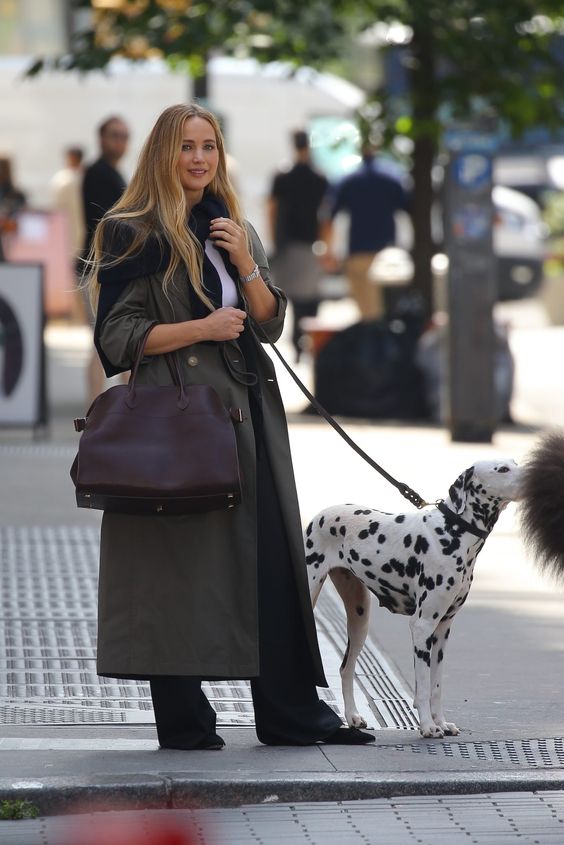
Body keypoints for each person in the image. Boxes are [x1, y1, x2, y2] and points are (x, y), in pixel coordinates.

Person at [87, 103, 374, 750]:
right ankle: (186, 722)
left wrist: (245, 261)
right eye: (186, 146)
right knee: (176, 565)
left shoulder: (232, 225)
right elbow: (116, 337)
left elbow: (269, 322)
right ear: (163, 152)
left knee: (268, 561)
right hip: (177, 418)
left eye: (209, 146)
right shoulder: (130, 231)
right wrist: (203, 328)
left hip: (248, 421)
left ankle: (291, 713)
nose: (198, 159)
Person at [325, 144, 410, 321]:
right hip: (386, 254)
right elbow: (407, 208)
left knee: (366, 312)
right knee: (385, 309)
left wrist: (328, 249)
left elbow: (331, 214)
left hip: (358, 251)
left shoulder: (349, 180)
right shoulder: (392, 179)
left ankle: (373, 344)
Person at [268, 130, 329, 361]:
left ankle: (297, 345)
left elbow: (271, 209)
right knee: (310, 298)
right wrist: (325, 245)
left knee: (289, 298)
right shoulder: (319, 177)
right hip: (311, 243)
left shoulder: (282, 176)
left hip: (287, 243)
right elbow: (326, 215)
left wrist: (274, 238)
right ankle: (305, 341)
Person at [82, 116, 129, 403]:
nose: (120, 141)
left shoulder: (111, 173)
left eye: (124, 135)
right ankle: (96, 409)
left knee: (116, 340)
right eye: (115, 135)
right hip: (101, 269)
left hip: (109, 267)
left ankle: (122, 406)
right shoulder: (99, 173)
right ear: (101, 137)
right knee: (105, 341)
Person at [51, 147, 86, 323]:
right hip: (78, 235)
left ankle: (76, 319)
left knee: (75, 280)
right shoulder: (81, 179)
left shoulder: (64, 180)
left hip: (68, 236)